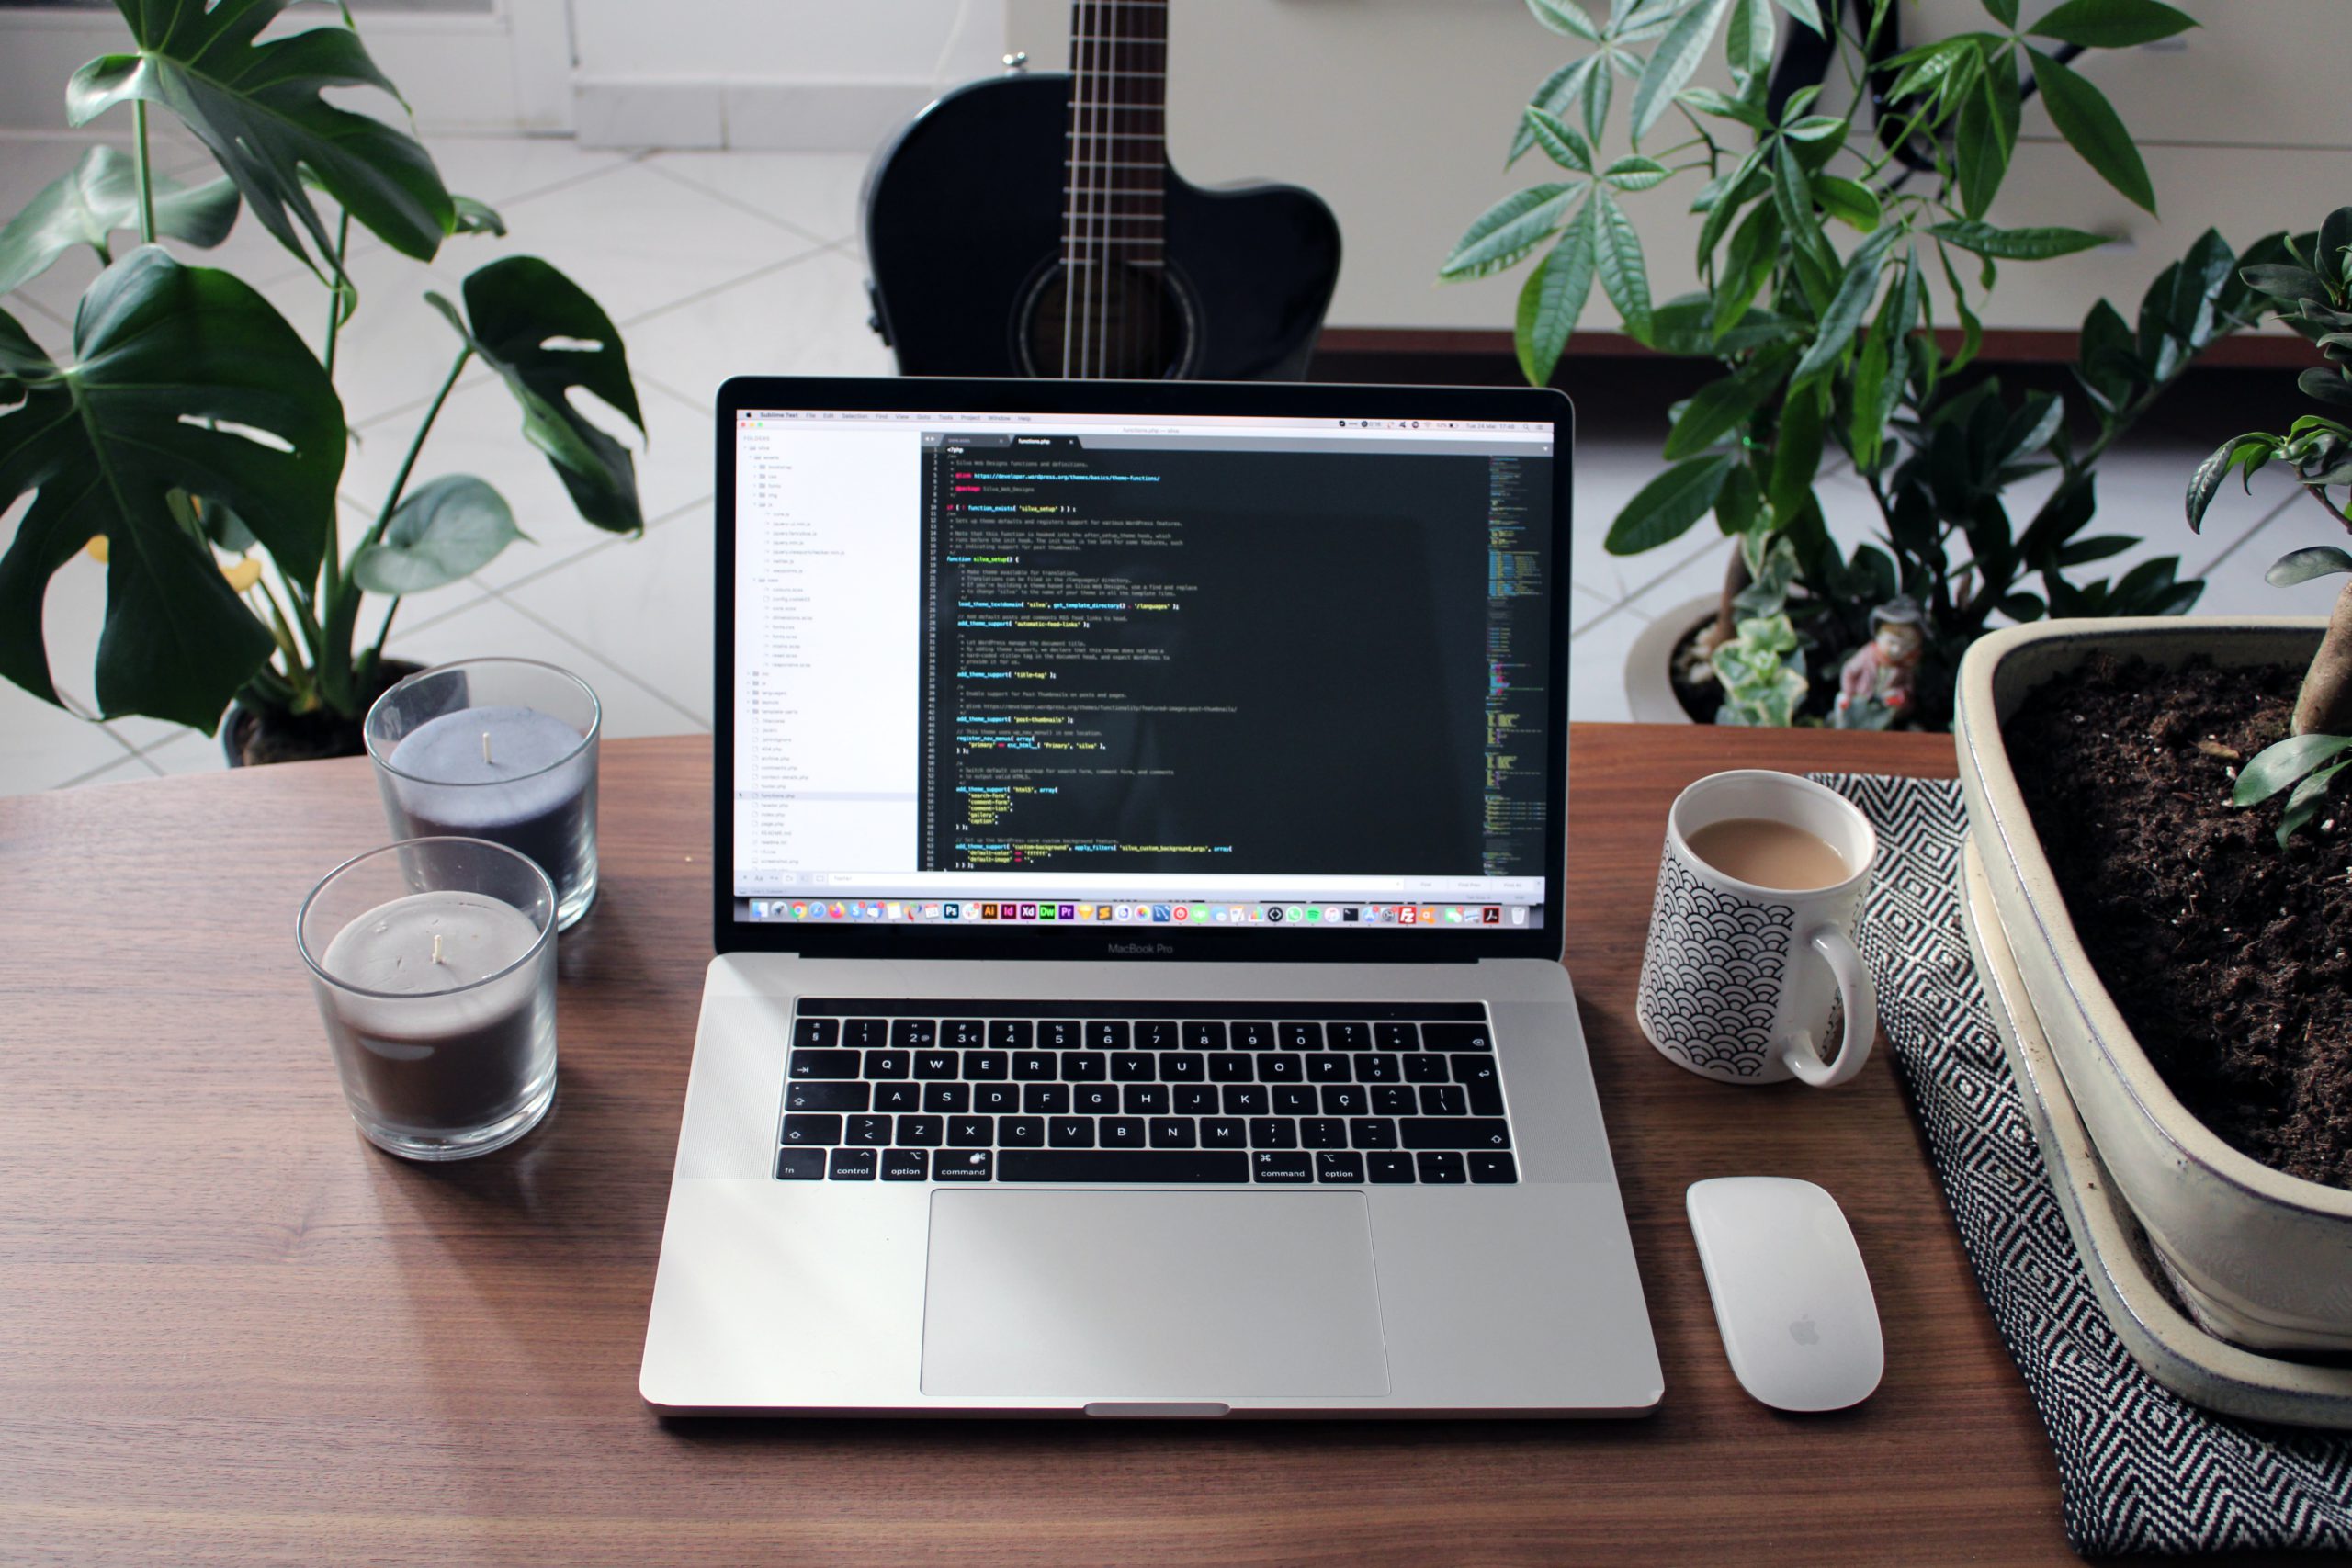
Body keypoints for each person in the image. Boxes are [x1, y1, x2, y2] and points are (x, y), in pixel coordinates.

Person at [1834, 597, 1926, 729]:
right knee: (1842, 701)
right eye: (1892, 642)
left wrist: (1900, 694)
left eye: (1906, 646)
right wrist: (1849, 693)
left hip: (1884, 699)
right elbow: (1849, 670)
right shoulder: (1868, 655)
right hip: (1862, 696)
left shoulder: (1904, 665)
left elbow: (1908, 685)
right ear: (1878, 635)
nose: (1897, 650)